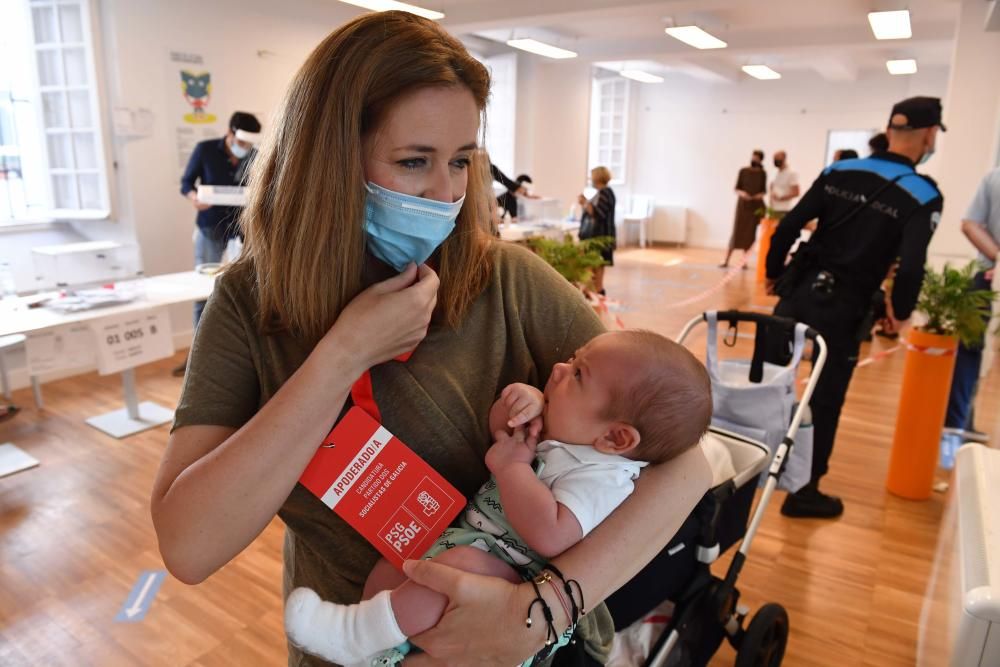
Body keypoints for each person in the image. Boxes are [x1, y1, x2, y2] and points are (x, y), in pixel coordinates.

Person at [150, 12, 711, 667]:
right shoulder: (251, 305)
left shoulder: (504, 278)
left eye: (461, 162)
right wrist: (341, 356)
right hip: (354, 641)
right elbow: (188, 546)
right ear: (330, 157)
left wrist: (537, 614)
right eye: (414, 161)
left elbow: (686, 464)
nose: (445, 193)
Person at [284, 330, 712, 667]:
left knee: (450, 571)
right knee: (396, 565)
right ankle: (373, 648)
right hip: (475, 544)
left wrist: (511, 469)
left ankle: (356, 634)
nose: (561, 369)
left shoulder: (604, 477)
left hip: (516, 580)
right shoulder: (568, 426)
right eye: (573, 359)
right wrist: (517, 406)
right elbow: (502, 433)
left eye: (579, 374)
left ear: (617, 437)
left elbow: (553, 534)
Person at [765, 96, 945, 519]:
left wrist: (775, 272)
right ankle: (804, 492)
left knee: (769, 383)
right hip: (845, 309)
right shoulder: (922, 194)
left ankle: (752, 467)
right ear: (929, 134)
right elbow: (912, 265)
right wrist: (899, 313)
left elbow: (789, 225)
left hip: (798, 292)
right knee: (825, 398)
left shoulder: (838, 171)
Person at [175, 110, 262, 375]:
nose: (244, 149)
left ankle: (243, 352)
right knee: (203, 287)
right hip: (211, 225)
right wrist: (193, 197)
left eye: (249, 145)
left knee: (250, 284)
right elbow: (186, 183)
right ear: (230, 134)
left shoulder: (255, 156)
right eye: (242, 143)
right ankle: (198, 355)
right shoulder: (205, 150)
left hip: (243, 226)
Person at [943, 167, 1000, 438]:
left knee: (970, 351)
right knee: (971, 350)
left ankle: (958, 423)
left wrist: (997, 258)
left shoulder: (994, 177)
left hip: (987, 275)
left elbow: (970, 223)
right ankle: (959, 423)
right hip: (989, 278)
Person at [720, 149, 767, 268]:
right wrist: (744, 194)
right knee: (737, 232)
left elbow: (764, 191)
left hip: (754, 206)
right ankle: (726, 260)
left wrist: (757, 196)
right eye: (753, 157)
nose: (754, 159)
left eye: (756, 158)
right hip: (742, 206)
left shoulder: (763, 173)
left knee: (749, 235)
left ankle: (744, 262)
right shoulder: (743, 171)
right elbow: (736, 188)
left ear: (760, 159)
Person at [577, 166, 617, 295]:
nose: (590, 180)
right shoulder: (604, 192)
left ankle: (598, 295)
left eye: (592, 177)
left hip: (600, 236)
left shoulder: (605, 193)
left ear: (597, 178)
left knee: (597, 267)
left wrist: (585, 203)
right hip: (600, 236)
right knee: (596, 267)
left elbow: (598, 214)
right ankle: (596, 294)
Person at [768, 150, 799, 220]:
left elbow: (796, 192)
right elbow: (771, 187)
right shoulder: (774, 172)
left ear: (784, 159)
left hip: (784, 209)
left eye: (777, 159)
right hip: (772, 209)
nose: (775, 161)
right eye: (774, 159)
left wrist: (781, 198)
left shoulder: (791, 173)